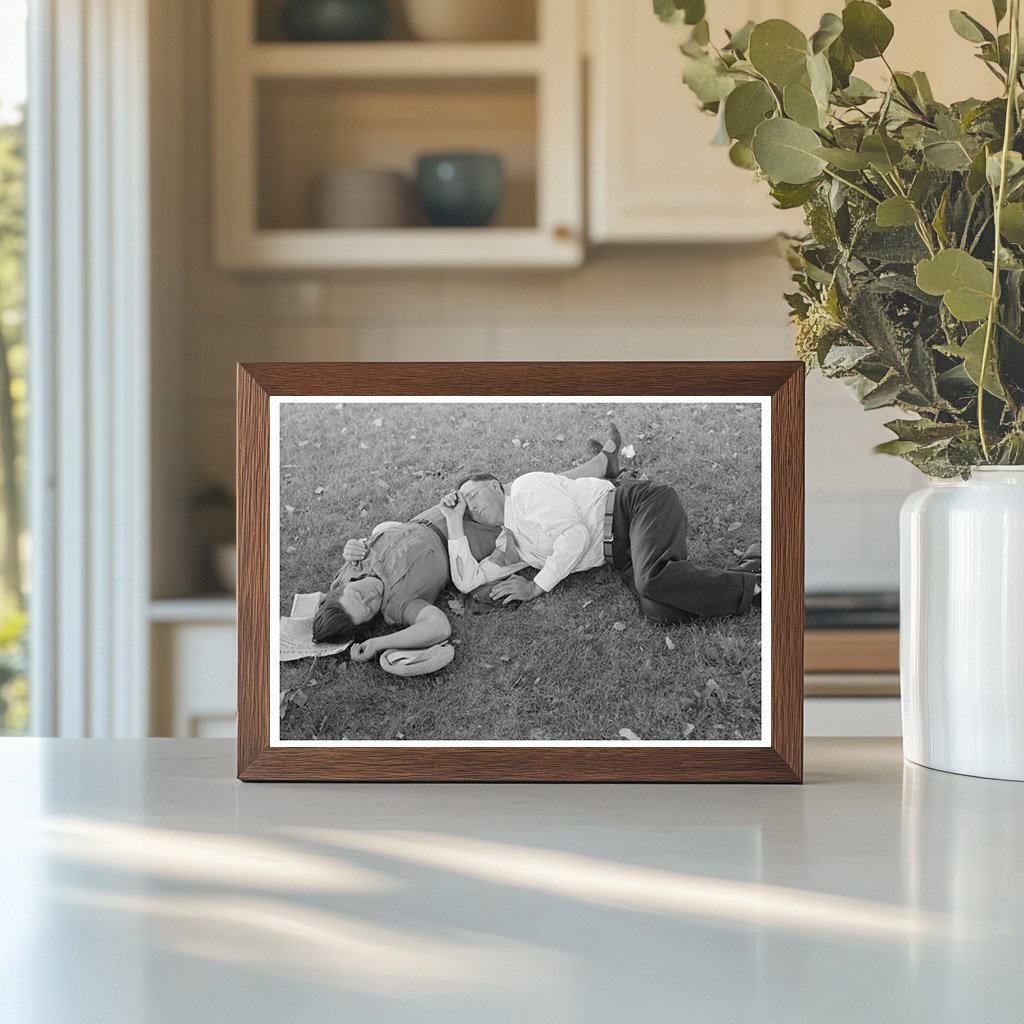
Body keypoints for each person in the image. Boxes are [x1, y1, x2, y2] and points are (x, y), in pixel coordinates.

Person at [310, 428, 625, 659]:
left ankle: (601, 469)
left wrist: (357, 543)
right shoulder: (398, 606)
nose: (370, 596)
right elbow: (438, 628)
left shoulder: (351, 567)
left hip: (441, 511)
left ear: (343, 587)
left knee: (518, 489)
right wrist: (381, 643)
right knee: (516, 499)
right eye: (368, 609)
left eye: (359, 594)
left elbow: (383, 532)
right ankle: (602, 470)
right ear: (372, 620)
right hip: (468, 536)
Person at [440, 466, 760, 623]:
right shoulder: (513, 545)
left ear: (496, 486)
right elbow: (469, 582)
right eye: (468, 506)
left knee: (654, 579)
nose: (473, 505)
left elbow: (576, 535)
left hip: (635, 506)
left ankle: (760, 587)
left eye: (473, 495)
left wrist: (536, 586)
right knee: (659, 610)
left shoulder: (525, 489)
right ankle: (750, 568)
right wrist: (454, 520)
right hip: (621, 552)